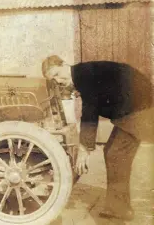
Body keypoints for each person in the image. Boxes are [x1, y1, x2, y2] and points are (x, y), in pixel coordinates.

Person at [42, 55, 153, 221]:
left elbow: (90, 113)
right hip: (134, 107)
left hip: (139, 109)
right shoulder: (83, 73)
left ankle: (119, 209)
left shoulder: (83, 76)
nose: (58, 80)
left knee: (115, 154)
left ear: (65, 64)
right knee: (113, 152)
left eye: (58, 74)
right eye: (54, 79)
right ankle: (119, 207)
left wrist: (84, 149)